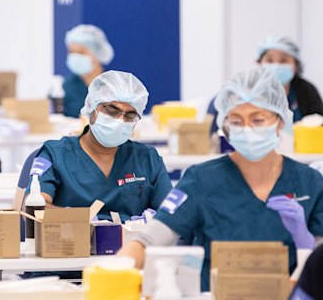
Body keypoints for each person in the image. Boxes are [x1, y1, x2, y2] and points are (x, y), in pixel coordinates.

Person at [119, 67, 323, 292]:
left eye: (257, 120)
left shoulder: (310, 182)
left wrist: (307, 241)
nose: (247, 130)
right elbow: (151, 239)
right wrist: (115, 271)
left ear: (280, 121)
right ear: (225, 125)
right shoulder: (201, 179)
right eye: (236, 121)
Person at [34, 70, 172, 222]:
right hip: (73, 242)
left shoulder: (147, 159)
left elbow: (172, 215)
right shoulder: (56, 155)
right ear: (92, 108)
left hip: (132, 242)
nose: (120, 120)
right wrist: (80, 221)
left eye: (130, 115)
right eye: (112, 110)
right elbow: (36, 208)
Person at [207, 36, 323, 133]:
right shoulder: (246, 87)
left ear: (295, 65)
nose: (276, 65)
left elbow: (319, 123)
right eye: (270, 60)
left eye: (283, 61)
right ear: (260, 63)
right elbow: (217, 108)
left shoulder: (306, 91)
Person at [63, 24, 114, 118]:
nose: (75, 56)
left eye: (81, 52)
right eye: (71, 52)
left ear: (97, 54)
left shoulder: (113, 86)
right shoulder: (66, 86)